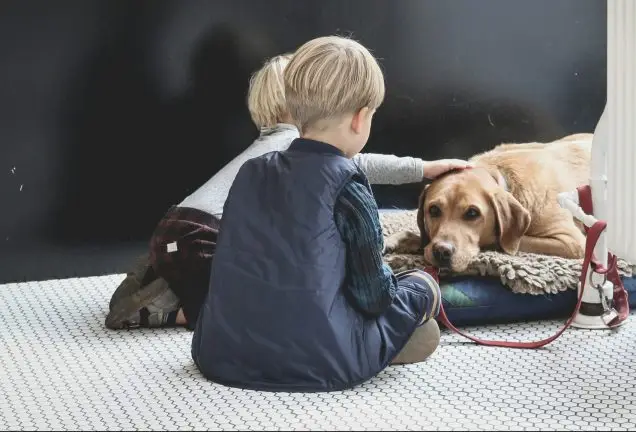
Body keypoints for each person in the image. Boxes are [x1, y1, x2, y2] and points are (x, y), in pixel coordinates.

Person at [105, 52, 468, 331]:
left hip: (179, 228)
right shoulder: (295, 145)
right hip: (203, 235)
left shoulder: (270, 147)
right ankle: (161, 312)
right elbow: (361, 163)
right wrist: (422, 168)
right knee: (230, 307)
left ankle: (159, 279)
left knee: (222, 277)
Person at [191, 36, 450, 392]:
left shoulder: (251, 171)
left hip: (222, 351)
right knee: (420, 285)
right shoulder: (348, 185)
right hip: (321, 360)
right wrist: (412, 284)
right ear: (360, 119)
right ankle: (388, 339)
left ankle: (376, 341)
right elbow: (374, 297)